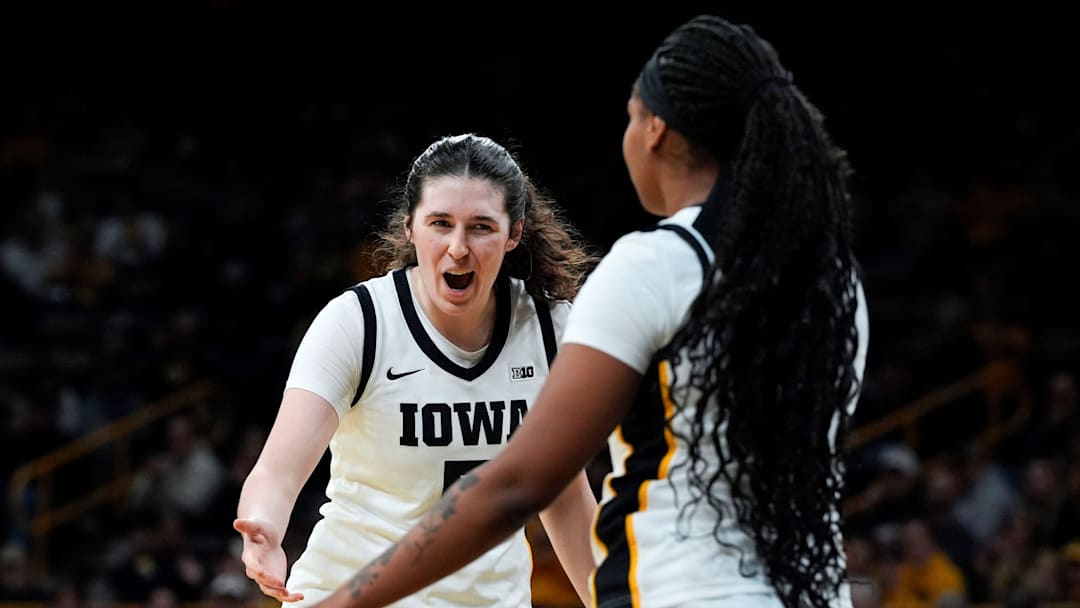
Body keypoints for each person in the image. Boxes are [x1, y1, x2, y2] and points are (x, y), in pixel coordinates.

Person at [307, 14, 869, 608]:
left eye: (628, 116)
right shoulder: (834, 282)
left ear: (654, 130)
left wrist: (344, 602)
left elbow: (519, 485)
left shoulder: (653, 267)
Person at [233, 133, 600, 607]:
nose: (458, 248)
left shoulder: (551, 330)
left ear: (514, 233)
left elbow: (564, 496)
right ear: (410, 227)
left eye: (481, 227)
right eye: (440, 223)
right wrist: (264, 523)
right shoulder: (359, 322)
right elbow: (278, 472)